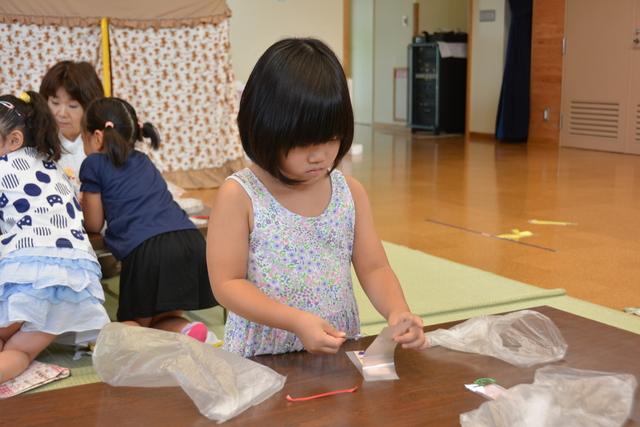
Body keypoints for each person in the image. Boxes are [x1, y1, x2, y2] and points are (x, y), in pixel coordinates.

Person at [207, 38, 426, 357]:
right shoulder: (240, 195)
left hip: (336, 346)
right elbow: (227, 284)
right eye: (302, 143)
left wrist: (398, 312)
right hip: (263, 356)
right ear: (264, 129)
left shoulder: (349, 193)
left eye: (330, 139)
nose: (319, 156)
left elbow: (374, 267)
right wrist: (295, 321)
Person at [79, 97, 217, 341]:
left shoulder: (93, 163)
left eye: (83, 138)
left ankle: (115, 345)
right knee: (162, 317)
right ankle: (187, 331)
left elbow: (93, 224)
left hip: (147, 250)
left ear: (98, 137)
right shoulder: (142, 160)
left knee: (132, 325)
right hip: (189, 241)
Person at [0, 91, 110, 383]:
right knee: (20, 352)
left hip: (29, 272)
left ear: (14, 140)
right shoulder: (52, 166)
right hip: (74, 280)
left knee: (6, 336)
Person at [39, 60, 104, 191]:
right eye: (55, 103)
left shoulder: (102, 144)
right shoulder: (38, 141)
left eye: (72, 106)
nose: (62, 114)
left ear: (90, 107)